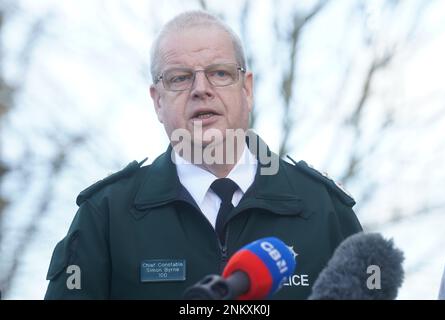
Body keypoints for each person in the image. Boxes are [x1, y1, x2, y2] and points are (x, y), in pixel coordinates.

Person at [44, 10, 362, 300]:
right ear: (157, 101)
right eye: (180, 78)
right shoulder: (106, 215)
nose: (201, 89)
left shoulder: (325, 211)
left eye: (220, 73)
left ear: (247, 89)